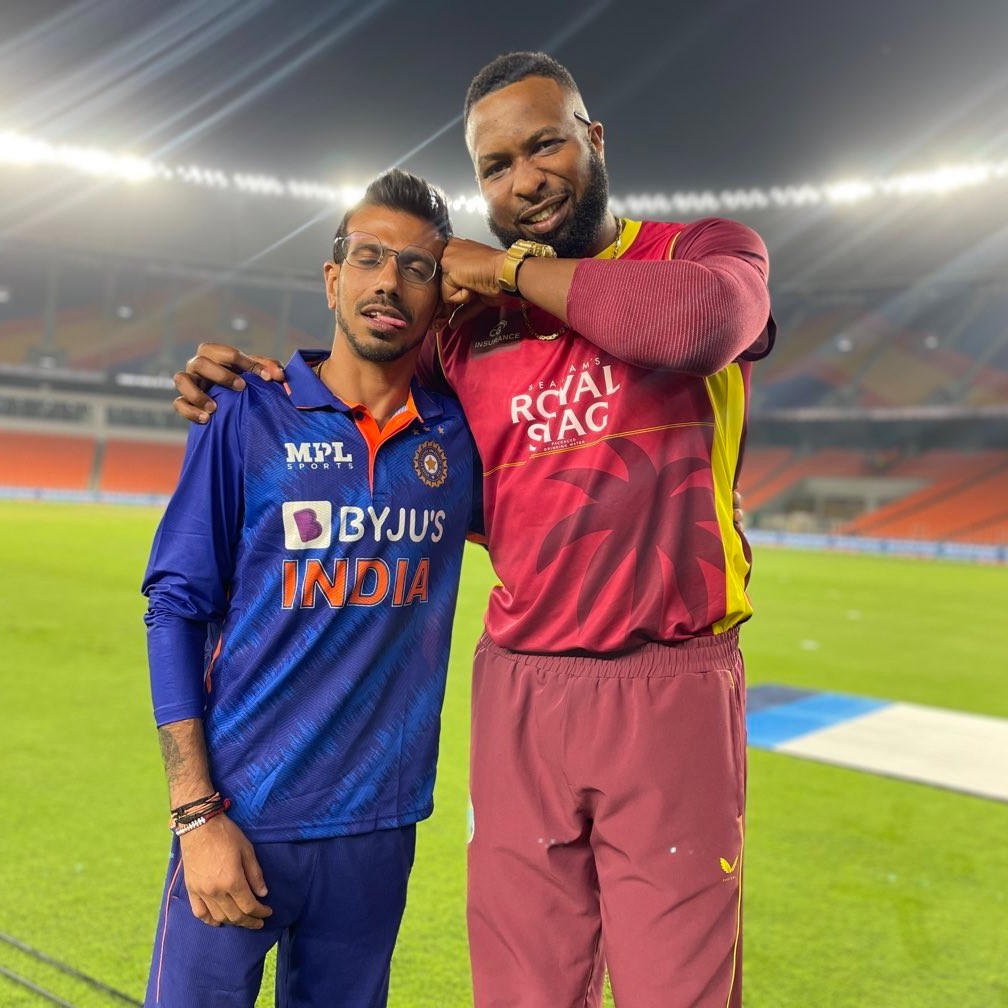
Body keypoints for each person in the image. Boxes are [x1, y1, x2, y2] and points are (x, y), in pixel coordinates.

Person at [174, 51, 774, 1008]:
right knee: (521, 990)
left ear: (595, 138)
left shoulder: (702, 252)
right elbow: (367, 405)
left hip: (668, 682)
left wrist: (507, 267)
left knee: (678, 991)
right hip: (521, 688)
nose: (524, 178)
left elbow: (697, 329)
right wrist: (253, 396)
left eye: (545, 145)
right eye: (496, 167)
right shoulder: (465, 335)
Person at [142, 168, 479, 1008]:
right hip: (240, 821)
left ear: (441, 299)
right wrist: (196, 816)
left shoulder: (460, 443)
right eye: (369, 257)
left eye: (418, 266)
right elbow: (175, 609)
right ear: (333, 279)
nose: (389, 282)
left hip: (376, 834)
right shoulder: (246, 417)